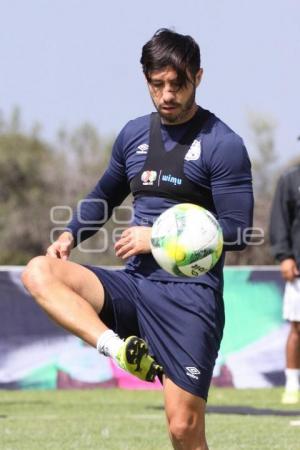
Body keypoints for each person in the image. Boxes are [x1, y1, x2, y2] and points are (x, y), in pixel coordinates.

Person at [22, 29, 253, 450]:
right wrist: (70, 234)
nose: (167, 94)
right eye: (157, 83)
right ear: (146, 79)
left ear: (198, 77)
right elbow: (104, 195)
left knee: (183, 430)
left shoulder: (224, 144)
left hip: (190, 301)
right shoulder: (133, 135)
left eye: (177, 84)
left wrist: (159, 239)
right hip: (134, 288)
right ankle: (120, 350)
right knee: (40, 272)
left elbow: (238, 230)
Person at [270, 164, 300, 405]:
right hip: (299, 268)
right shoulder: (290, 179)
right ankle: (292, 384)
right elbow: (280, 220)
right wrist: (284, 255)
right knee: (298, 329)